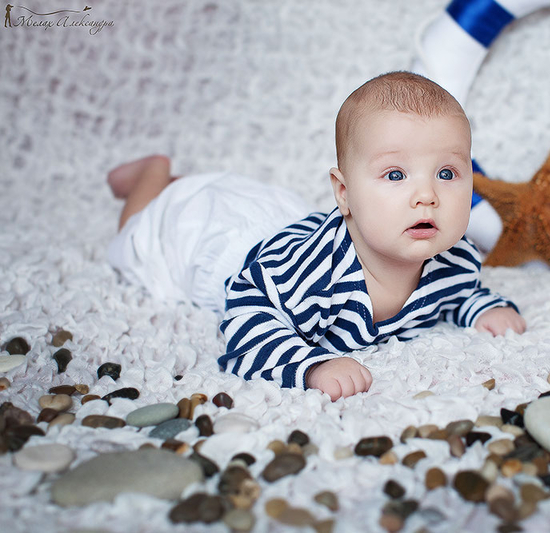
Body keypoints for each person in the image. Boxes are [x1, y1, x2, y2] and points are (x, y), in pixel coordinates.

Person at [107, 71, 526, 401]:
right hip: (216, 240)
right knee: (141, 232)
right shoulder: (315, 275)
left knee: (213, 193)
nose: (427, 196)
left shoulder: (454, 255)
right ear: (345, 193)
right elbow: (246, 318)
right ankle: (153, 174)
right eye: (396, 175)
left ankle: (184, 182)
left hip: (285, 218)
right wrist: (311, 366)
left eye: (447, 173)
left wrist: (483, 308)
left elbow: (456, 292)